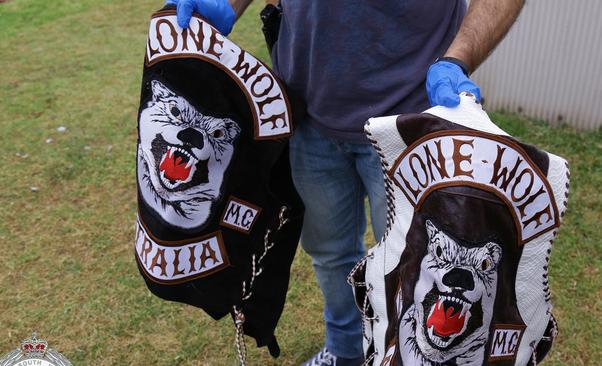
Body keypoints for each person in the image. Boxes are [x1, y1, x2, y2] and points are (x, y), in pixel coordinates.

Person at [164, 0, 525, 365]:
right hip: (309, 115)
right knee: (331, 253)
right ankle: (344, 349)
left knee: (417, 268)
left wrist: (457, 58)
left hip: (412, 126)